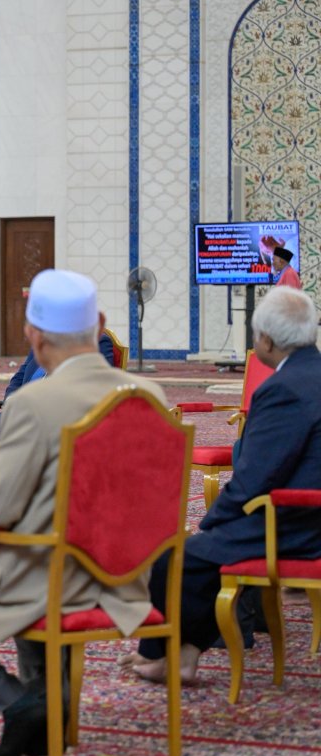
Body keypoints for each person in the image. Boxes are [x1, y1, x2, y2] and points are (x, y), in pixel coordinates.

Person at [0, 269, 166, 756]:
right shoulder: (150, 396)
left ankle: (17, 703)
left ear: (33, 334)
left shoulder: (33, 403)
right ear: (99, 323)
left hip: (53, 576)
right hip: (126, 580)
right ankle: (47, 711)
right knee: (29, 558)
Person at [121, 286, 321, 684]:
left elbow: (254, 479)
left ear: (266, 340)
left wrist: (211, 522)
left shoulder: (283, 389)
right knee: (201, 557)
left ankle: (160, 656)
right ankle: (185, 654)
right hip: (306, 513)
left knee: (175, 558)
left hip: (293, 524)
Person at [0, 322, 118, 481]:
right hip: (23, 410)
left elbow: (97, 385)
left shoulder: (97, 342)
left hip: (58, 416)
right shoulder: (41, 339)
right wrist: (11, 399)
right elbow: (20, 376)